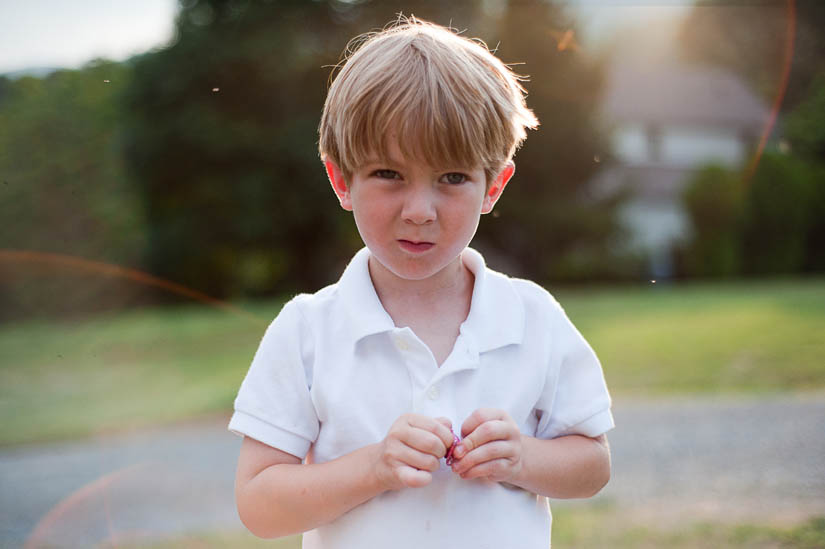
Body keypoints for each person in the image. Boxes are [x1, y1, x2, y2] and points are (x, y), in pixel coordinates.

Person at [229, 16, 613, 549]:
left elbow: (592, 465)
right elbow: (259, 504)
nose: (419, 211)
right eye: (389, 174)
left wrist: (523, 456)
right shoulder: (307, 331)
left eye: (452, 178)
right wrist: (373, 467)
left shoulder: (533, 317)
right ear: (342, 179)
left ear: (493, 187)